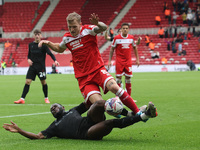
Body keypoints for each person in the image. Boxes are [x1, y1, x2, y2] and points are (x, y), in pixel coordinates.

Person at [38, 12, 142, 116]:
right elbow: (59, 48)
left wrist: (98, 23)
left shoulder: (88, 30)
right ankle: (129, 114)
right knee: (99, 103)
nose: (72, 30)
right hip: (83, 78)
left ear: (80, 24)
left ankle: (138, 112)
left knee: (114, 87)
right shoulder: (67, 38)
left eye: (74, 27)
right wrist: (48, 43)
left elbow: (103, 27)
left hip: (98, 70)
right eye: (70, 27)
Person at [3, 100, 158, 140]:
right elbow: (37, 136)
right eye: (52, 110)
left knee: (98, 104)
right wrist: (20, 130)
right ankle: (143, 116)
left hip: (91, 120)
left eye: (55, 106)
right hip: (88, 133)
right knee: (110, 123)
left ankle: (130, 114)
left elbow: (88, 102)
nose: (53, 109)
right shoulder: (54, 127)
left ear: (63, 107)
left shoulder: (73, 111)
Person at [14, 29, 59, 104]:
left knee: (43, 82)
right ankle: (22, 99)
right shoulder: (31, 45)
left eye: (38, 34)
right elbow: (29, 55)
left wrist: (55, 60)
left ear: (40, 35)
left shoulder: (44, 45)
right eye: (35, 34)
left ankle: (46, 98)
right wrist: (28, 59)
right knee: (27, 81)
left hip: (41, 67)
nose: (37, 36)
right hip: (32, 67)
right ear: (33, 36)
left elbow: (50, 53)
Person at [108, 23, 141, 97]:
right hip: (119, 62)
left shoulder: (131, 38)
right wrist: (109, 61)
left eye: (126, 28)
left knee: (128, 78)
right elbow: (112, 49)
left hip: (128, 62)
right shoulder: (116, 38)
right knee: (118, 79)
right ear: (121, 29)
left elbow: (135, 48)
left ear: (128, 29)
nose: (125, 30)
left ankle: (128, 97)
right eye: (124, 28)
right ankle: (118, 98)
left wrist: (137, 59)